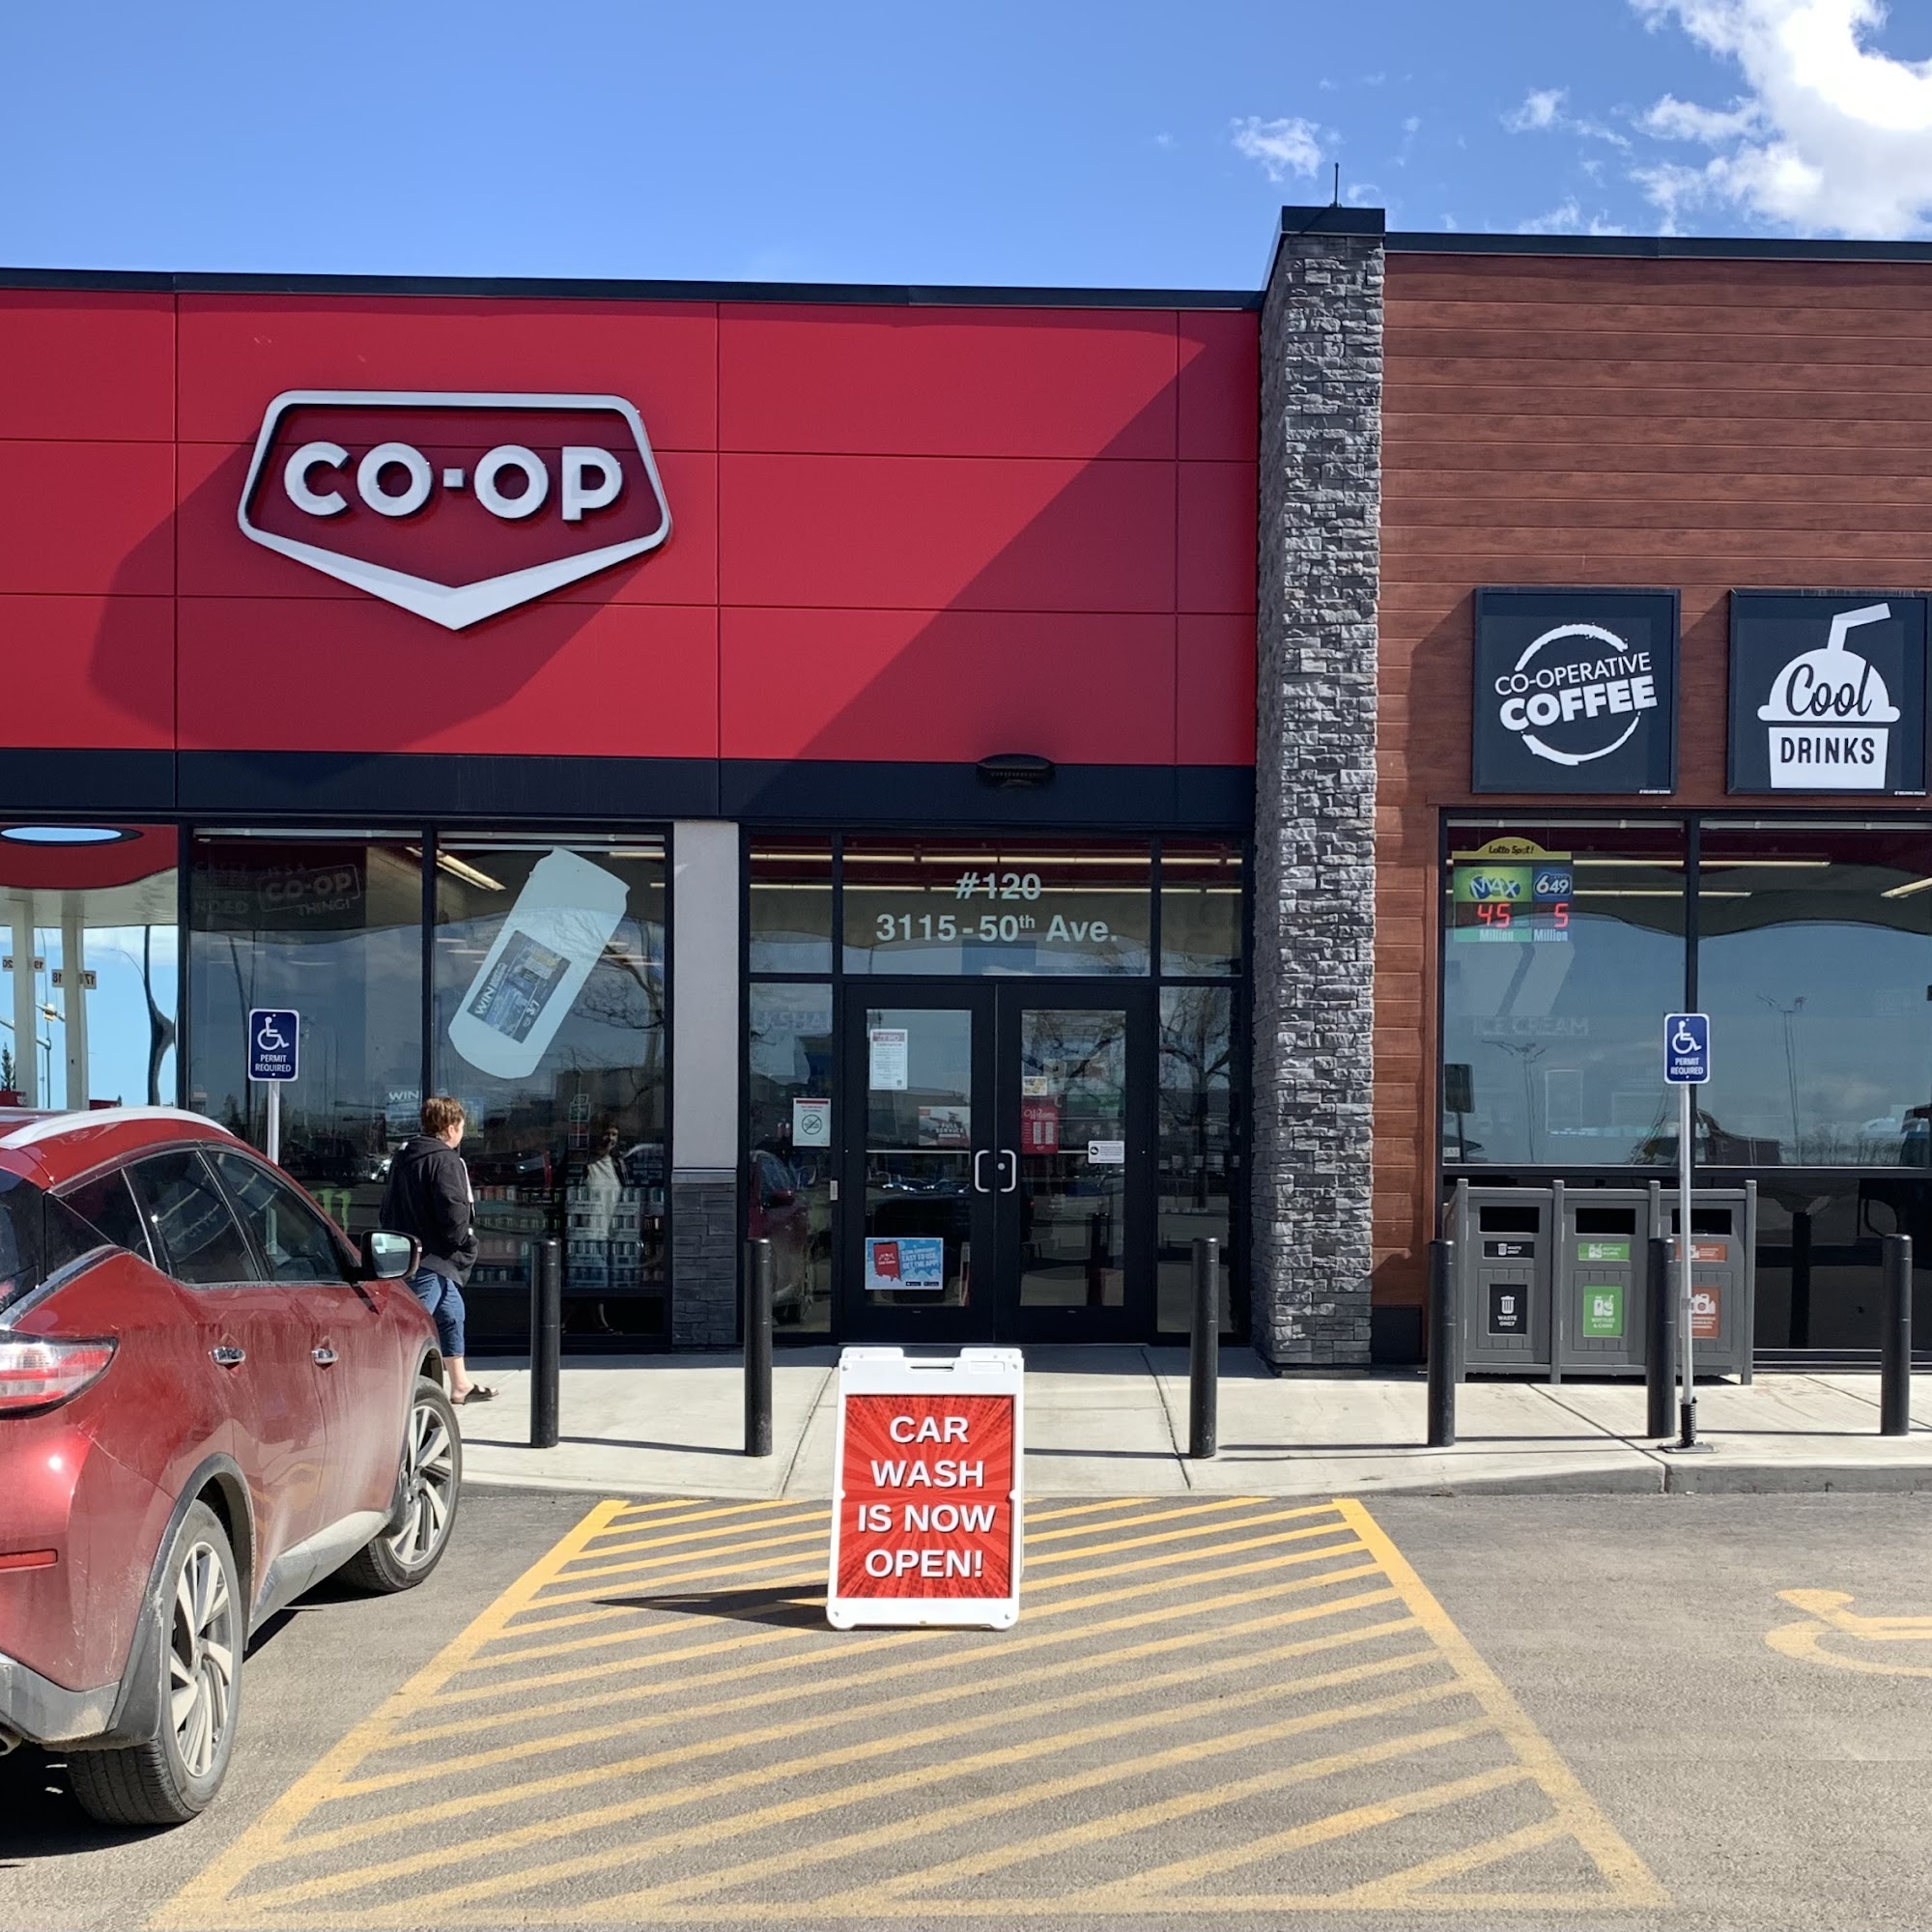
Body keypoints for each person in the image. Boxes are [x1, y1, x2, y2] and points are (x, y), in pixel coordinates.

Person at [381, 1094, 494, 1405]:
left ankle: (460, 1384)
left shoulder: (404, 1157)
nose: (462, 1134)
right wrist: (463, 1240)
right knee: (413, 1324)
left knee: (452, 1313)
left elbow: (387, 1205)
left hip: (409, 1250)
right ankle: (393, 1392)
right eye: (461, 1127)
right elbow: (454, 1209)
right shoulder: (446, 1160)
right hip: (433, 1256)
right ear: (451, 1127)